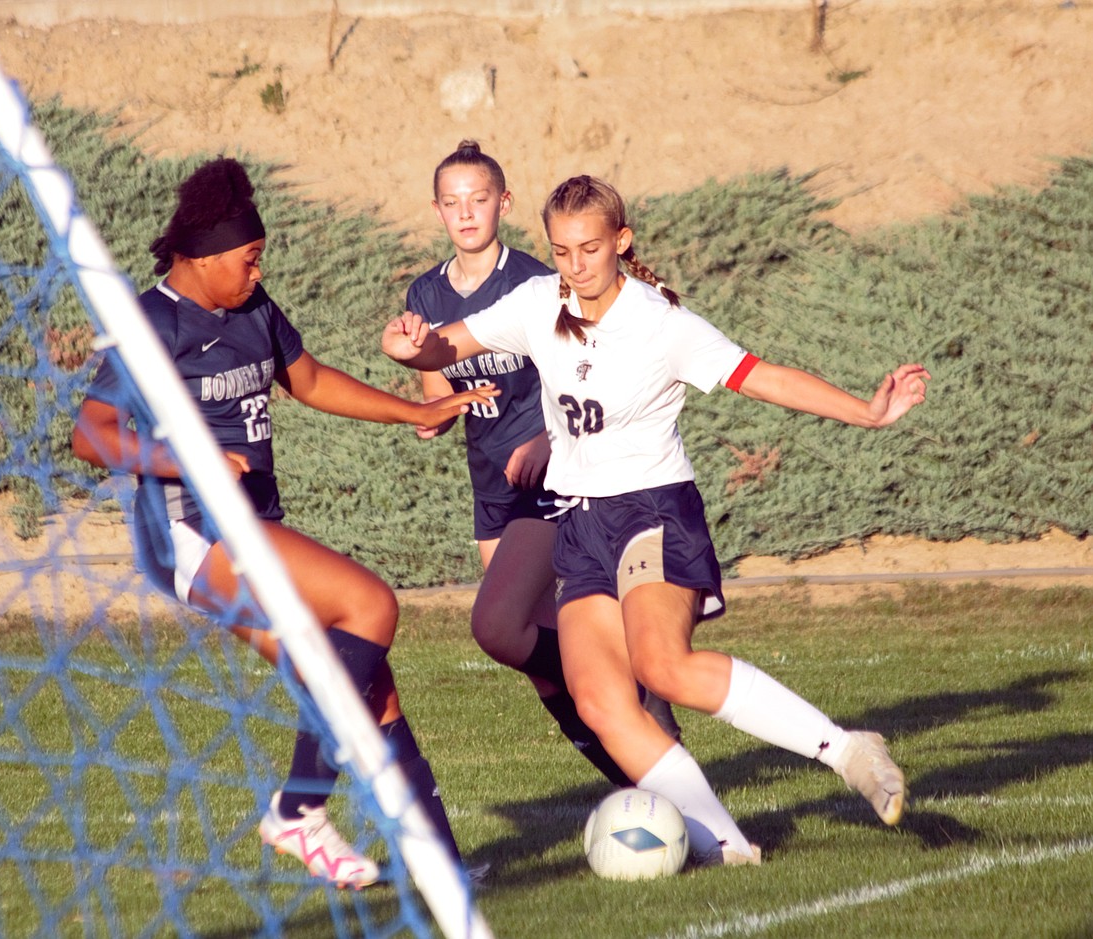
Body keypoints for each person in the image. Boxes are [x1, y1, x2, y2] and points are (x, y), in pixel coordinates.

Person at [382, 174, 928, 865]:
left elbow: (763, 376)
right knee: (602, 701)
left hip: (652, 511)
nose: (575, 266)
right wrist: (412, 347)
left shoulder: (661, 324)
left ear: (621, 241)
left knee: (662, 666)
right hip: (578, 524)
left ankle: (849, 749)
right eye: (561, 250)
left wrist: (869, 411)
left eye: (589, 248)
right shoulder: (535, 301)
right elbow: (446, 346)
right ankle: (728, 847)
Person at [72, 157, 497, 888]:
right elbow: (92, 434)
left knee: (365, 687)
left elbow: (309, 380)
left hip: (249, 524)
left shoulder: (254, 310)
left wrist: (416, 409)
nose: (255, 271)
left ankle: (442, 871)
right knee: (371, 604)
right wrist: (188, 459)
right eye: (248, 259)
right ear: (201, 259)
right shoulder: (151, 319)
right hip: (194, 530)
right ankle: (299, 810)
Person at [407, 141, 676, 789]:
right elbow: (436, 400)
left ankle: (660, 752)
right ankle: (634, 772)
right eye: (452, 202)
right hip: (493, 492)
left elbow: (583, 376)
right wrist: (430, 409)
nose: (466, 214)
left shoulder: (534, 284)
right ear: (438, 210)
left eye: (479, 199)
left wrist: (554, 440)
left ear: (504, 202)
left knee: (538, 627)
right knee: (535, 652)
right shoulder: (425, 292)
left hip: (556, 480)